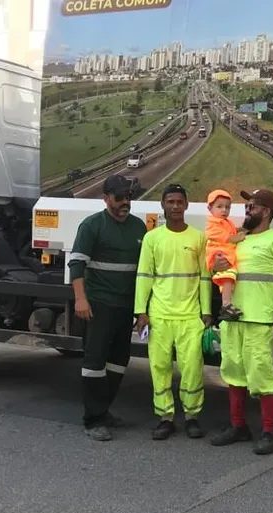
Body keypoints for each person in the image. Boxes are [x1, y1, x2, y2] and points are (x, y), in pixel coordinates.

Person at [209, 189, 273, 455]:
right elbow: (219, 269)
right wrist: (216, 264)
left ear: (267, 211)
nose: (247, 209)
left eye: (253, 206)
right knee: (233, 371)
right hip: (232, 318)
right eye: (247, 205)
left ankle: (269, 432)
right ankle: (238, 427)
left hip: (259, 320)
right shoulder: (237, 239)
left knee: (261, 374)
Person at [68, 174, 146, 442]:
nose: (125, 202)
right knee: (94, 363)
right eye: (119, 198)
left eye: (129, 197)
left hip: (125, 307)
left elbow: (144, 272)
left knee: (118, 363)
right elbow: (77, 264)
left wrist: (141, 310)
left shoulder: (138, 228)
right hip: (98, 305)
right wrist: (81, 299)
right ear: (106, 198)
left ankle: (104, 410)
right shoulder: (92, 226)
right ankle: (93, 419)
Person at [134, 184, 213, 440]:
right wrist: (140, 311)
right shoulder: (152, 238)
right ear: (163, 205)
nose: (175, 206)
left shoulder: (198, 238)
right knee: (159, 367)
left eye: (180, 202)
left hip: (190, 316)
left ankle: (192, 417)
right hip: (159, 315)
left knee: (192, 368)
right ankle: (165, 417)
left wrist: (207, 311)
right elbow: (144, 276)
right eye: (171, 202)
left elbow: (204, 277)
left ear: (187, 205)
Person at [205, 189, 245, 321]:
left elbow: (232, 232)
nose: (224, 210)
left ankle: (227, 302)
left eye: (227, 207)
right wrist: (238, 237)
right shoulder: (212, 224)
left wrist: (240, 230)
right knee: (228, 277)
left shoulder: (226, 222)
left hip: (224, 253)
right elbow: (226, 237)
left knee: (227, 279)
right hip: (219, 254)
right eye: (219, 206)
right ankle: (226, 304)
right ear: (210, 208)